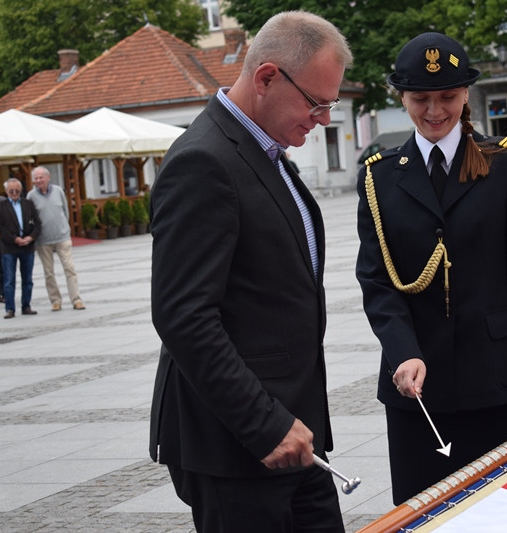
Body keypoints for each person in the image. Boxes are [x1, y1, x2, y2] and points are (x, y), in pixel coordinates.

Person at [148, 11, 353, 532]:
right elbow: (184, 317)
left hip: (294, 437)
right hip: (239, 447)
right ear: (266, 78)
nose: (322, 119)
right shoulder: (204, 161)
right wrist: (265, 424)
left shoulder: (266, 150)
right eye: (316, 103)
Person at [355, 32, 507, 505]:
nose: (434, 110)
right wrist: (402, 352)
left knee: (502, 511)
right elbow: (377, 281)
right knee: (422, 512)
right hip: (415, 388)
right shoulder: (379, 175)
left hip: (496, 383)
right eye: (420, 99)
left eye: (447, 96)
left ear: (465, 94)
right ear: (401, 97)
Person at [27, 167, 86, 311]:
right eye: (36, 178)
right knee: (49, 272)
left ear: (48, 178)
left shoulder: (58, 191)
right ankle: (55, 300)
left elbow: (65, 212)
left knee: (69, 268)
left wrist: (65, 228)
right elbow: (30, 217)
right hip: (43, 240)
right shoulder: (31, 196)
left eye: (41, 177)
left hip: (62, 237)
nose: (38, 180)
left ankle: (76, 299)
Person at [0, 178, 41, 319]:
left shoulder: (28, 204)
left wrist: (30, 238)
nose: (14, 193)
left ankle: (26, 306)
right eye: (11, 191)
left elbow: (38, 224)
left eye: (17, 191)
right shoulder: (0, 207)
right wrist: (14, 239)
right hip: (9, 248)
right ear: (6, 191)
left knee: (27, 279)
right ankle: (10, 308)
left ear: (21, 191)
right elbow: (0, 228)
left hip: (27, 246)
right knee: (9, 280)